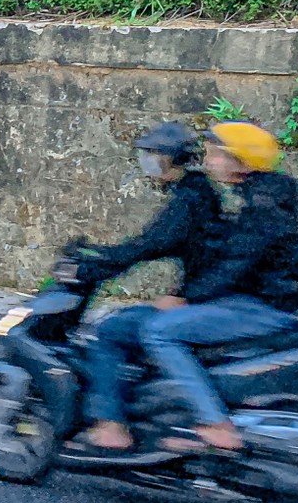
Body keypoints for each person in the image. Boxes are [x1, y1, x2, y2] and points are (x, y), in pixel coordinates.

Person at [139, 121, 298, 454]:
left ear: (241, 162)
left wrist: (186, 298)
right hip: (259, 299)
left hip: (266, 306)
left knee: (159, 331)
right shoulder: (260, 196)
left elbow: (234, 264)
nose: (209, 161)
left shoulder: (263, 207)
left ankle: (216, 423)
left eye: (217, 154)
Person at [75, 122, 224, 452]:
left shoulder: (189, 199)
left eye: (153, 154)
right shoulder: (199, 192)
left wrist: (98, 263)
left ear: (169, 158)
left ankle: (111, 424)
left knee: (111, 329)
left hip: (200, 301)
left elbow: (152, 243)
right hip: (199, 294)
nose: (147, 161)